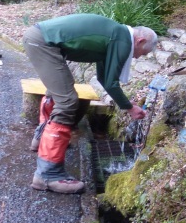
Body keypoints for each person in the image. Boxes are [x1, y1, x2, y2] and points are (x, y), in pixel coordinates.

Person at [22, 13, 158, 194]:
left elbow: (104, 78)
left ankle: (40, 141)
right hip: (43, 42)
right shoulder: (123, 40)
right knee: (67, 101)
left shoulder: (117, 34)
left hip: (39, 38)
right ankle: (48, 175)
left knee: (59, 93)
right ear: (140, 41)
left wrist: (126, 103)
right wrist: (129, 108)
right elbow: (110, 82)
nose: (138, 58)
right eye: (143, 53)